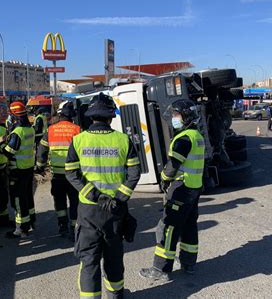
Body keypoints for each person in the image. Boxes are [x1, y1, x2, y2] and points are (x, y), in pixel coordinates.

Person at [65, 93, 141, 298]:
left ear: (91, 117)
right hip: (115, 210)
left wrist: (95, 195)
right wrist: (119, 198)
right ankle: (116, 296)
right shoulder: (123, 140)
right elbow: (135, 172)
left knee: (89, 260)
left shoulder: (78, 140)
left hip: (89, 211)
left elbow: (71, 172)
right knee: (114, 257)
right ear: (110, 117)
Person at [140, 99, 205, 281]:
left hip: (181, 188)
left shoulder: (183, 139)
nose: (174, 118)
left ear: (186, 117)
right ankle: (188, 263)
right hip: (194, 187)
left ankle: (160, 269)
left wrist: (164, 178)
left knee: (169, 228)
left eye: (177, 115)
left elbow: (173, 165)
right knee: (189, 225)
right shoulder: (197, 136)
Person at [36, 101, 81, 238]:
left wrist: (40, 166)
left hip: (57, 175)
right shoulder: (77, 130)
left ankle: (62, 226)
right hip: (74, 174)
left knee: (59, 200)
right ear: (71, 117)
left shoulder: (51, 130)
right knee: (75, 202)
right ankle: (74, 228)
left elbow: (42, 151)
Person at [1, 101, 36, 238]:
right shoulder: (30, 129)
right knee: (28, 196)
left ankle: (21, 229)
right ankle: (31, 220)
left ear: (14, 115)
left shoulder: (18, 132)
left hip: (17, 170)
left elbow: (9, 152)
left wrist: (2, 144)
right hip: (28, 168)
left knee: (18, 200)